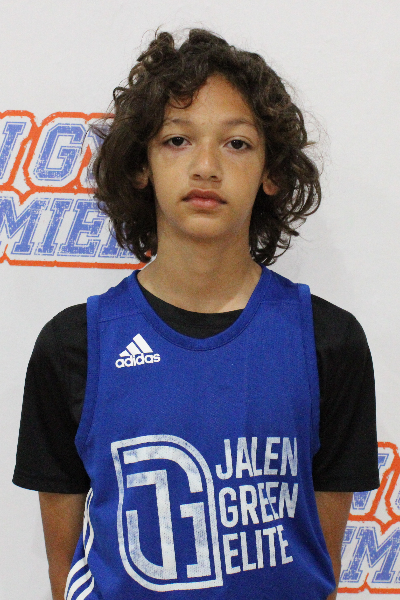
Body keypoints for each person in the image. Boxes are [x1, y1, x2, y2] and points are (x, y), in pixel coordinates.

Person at [13, 28, 379, 600]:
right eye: (178, 140)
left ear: (271, 173)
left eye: (236, 143)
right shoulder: (74, 346)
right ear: (142, 165)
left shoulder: (328, 342)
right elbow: (65, 574)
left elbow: (318, 567)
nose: (206, 166)